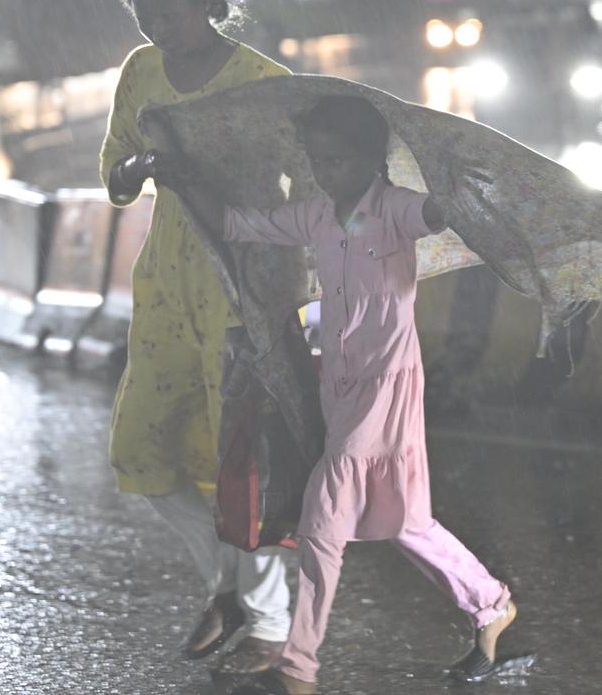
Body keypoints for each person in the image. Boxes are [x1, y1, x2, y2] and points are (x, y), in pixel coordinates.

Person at [160, 95, 518, 694]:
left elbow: (440, 213)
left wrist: (454, 182)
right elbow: (235, 224)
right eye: (318, 159)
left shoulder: (396, 210)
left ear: (373, 158)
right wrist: (176, 178)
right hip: (342, 386)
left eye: (339, 159)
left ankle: (299, 666)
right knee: (405, 520)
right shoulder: (320, 217)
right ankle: (489, 603)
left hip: (389, 384)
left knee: (324, 517)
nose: (327, 171)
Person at [99, 0, 292, 674]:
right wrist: (140, 169)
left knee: (244, 461)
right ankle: (227, 586)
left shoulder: (263, 83)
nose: (156, 28)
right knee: (141, 448)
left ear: (204, 2)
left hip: (242, 284)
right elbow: (116, 168)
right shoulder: (140, 72)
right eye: (144, 17)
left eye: (168, 12)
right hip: (166, 286)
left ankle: (271, 621)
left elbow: (296, 191)